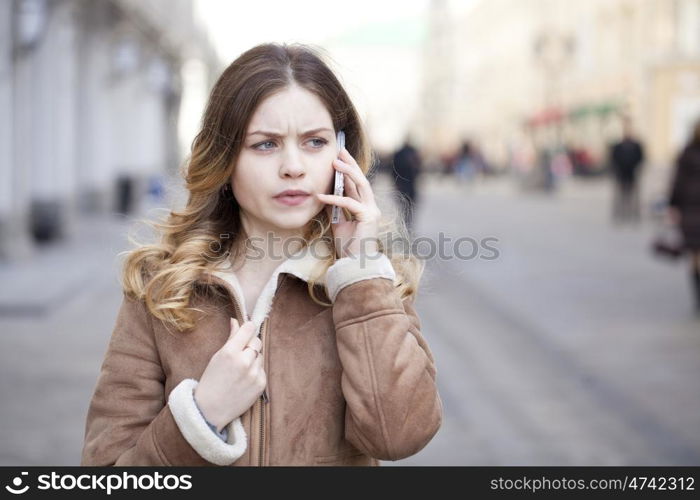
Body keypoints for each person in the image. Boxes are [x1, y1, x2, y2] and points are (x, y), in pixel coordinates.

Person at [80, 43, 442, 466]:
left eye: (314, 142)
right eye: (265, 145)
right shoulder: (161, 285)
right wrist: (201, 417)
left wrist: (360, 272)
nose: (293, 166)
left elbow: (398, 437)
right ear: (225, 159)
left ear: (342, 155)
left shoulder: (369, 283)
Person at [668, 119, 700, 311]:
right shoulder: (687, 153)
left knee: (695, 256)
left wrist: (673, 205)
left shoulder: (687, 152)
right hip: (691, 211)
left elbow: (677, 182)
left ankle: (698, 298)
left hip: (690, 211)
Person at [610, 119, 645, 223]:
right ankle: (621, 215)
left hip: (632, 173)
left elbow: (641, 158)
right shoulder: (618, 146)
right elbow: (614, 159)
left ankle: (633, 215)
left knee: (633, 196)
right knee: (621, 196)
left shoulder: (636, 146)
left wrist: (636, 168)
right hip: (621, 174)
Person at [391, 137, 422, 233]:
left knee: (404, 206)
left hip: (404, 183)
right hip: (408, 183)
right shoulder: (412, 153)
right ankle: (406, 226)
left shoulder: (400, 153)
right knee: (407, 206)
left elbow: (393, 169)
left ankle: (405, 226)